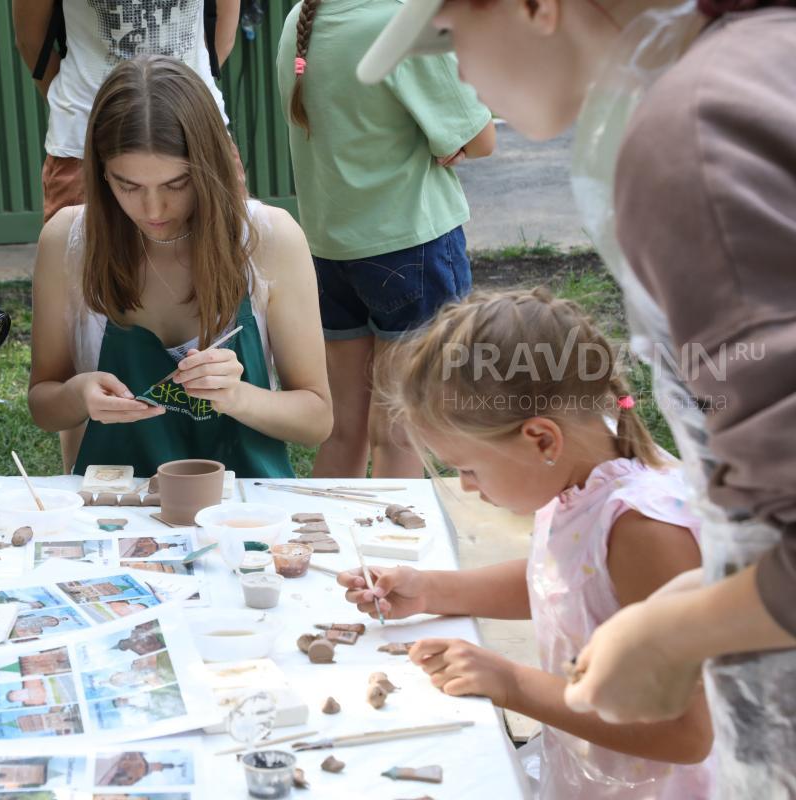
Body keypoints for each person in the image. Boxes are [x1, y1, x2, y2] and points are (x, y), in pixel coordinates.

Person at [354, 0, 796, 793]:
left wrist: (669, 635)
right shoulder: (748, 74)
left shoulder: (694, 134)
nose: (456, 71)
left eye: (450, 34)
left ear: (534, 6)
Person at [341, 289, 712, 798]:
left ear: (541, 439)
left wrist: (512, 684)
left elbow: (688, 734)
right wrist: (432, 590)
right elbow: (564, 579)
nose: (466, 485)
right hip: (597, 770)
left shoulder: (645, 532)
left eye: (467, 468)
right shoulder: (578, 479)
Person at [27, 56, 332, 479]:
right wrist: (79, 396)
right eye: (127, 186)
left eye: (176, 184)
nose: (153, 209)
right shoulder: (68, 240)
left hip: (245, 510)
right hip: (116, 512)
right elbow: (43, 405)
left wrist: (237, 397)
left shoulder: (269, 238)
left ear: (209, 169)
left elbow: (317, 419)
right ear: (100, 175)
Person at [277, 0, 495, 479]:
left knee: (343, 430)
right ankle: (393, 553)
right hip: (413, 250)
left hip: (330, 255)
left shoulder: (299, 19)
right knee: (400, 432)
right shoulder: (403, 23)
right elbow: (480, 139)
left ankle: (326, 550)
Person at [13, 0, 240, 222]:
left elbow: (224, 34)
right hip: (84, 141)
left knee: (222, 253)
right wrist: (73, 104)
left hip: (197, 135)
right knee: (79, 254)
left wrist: (184, 100)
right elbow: (30, 40)